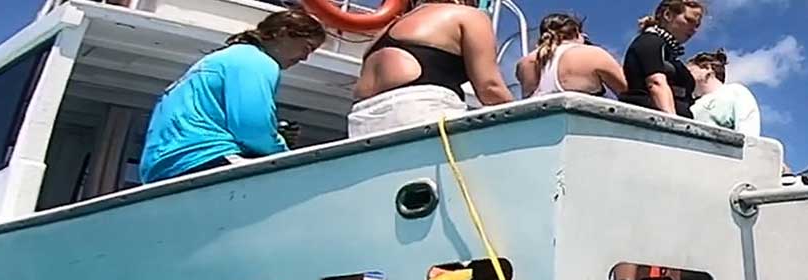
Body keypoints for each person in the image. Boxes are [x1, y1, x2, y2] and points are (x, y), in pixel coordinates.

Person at [137, 9, 326, 184]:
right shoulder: (256, 60)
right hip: (206, 158)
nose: (304, 58)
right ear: (283, 33)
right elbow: (252, 128)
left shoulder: (221, 59)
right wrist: (283, 153)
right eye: (307, 48)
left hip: (161, 169)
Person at [348, 0, 514, 137]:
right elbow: (489, 88)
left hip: (362, 121)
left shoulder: (385, 31)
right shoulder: (468, 16)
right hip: (419, 111)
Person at [621, 0, 706, 118]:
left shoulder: (671, 55)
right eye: (689, 20)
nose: (693, 29)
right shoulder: (650, 42)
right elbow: (656, 83)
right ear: (668, 15)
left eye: (697, 25)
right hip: (650, 122)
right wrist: (673, 124)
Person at [515, 13, 627, 98]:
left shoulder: (523, 64)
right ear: (577, 33)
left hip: (536, 126)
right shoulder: (593, 54)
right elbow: (630, 93)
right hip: (582, 127)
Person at [687, 49, 761, 137]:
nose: (685, 76)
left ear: (707, 68)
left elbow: (748, 133)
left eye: (690, 71)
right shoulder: (691, 105)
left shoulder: (735, 92)